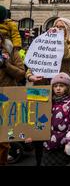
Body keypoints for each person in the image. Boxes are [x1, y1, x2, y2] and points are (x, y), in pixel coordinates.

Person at [25, 73, 70, 166]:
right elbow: (40, 119)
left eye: (61, 86)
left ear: (67, 87)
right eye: (55, 86)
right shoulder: (49, 102)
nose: (58, 88)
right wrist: (33, 134)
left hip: (63, 144)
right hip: (49, 144)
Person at [27, 18, 70, 87]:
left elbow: (66, 56)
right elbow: (36, 59)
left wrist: (60, 39)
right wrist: (29, 76)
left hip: (63, 84)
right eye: (56, 26)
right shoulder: (46, 42)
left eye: (62, 27)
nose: (58, 29)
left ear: (67, 29)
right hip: (43, 82)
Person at [0, 33, 26, 165]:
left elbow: (21, 74)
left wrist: (6, 65)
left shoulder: (11, 51)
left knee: (4, 139)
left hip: (6, 97)